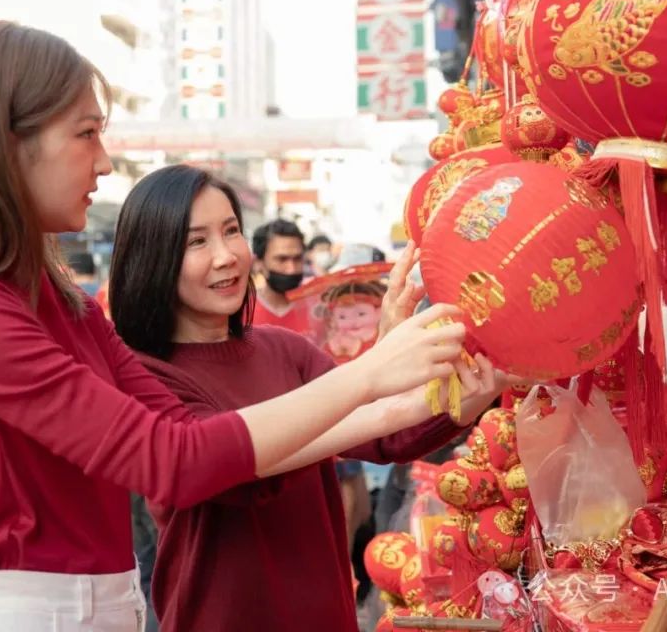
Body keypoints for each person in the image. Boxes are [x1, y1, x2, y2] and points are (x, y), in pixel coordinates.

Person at [0, 21, 461, 632]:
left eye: (231, 231)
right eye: (85, 134)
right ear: (5, 144)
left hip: (108, 603)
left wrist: (419, 390)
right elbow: (175, 459)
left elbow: (202, 439)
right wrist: (371, 375)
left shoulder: (64, 303)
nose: (104, 162)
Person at [109, 165, 505, 631]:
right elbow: (234, 470)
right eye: (196, 242)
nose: (225, 256)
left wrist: (477, 386)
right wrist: (371, 374)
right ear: (153, 257)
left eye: (231, 231)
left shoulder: (285, 350)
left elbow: (386, 437)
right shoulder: (146, 373)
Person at [251, 219, 312, 334]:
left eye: (297, 258)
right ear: (259, 263)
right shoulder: (240, 311)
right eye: (281, 259)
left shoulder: (317, 308)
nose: (291, 269)